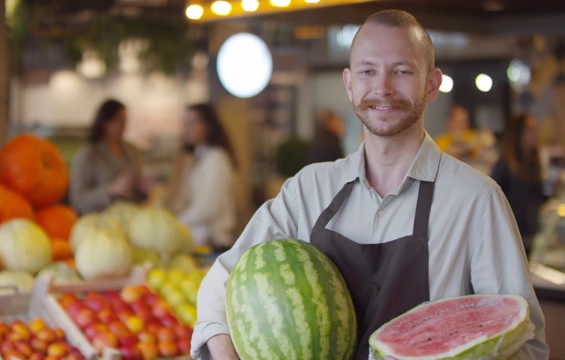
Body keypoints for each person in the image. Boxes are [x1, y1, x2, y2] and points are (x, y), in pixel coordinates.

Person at [191, 10, 548, 360]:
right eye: (367, 71)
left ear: (431, 84)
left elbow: (528, 345)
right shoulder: (308, 190)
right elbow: (221, 281)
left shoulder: (476, 199)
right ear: (349, 84)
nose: (383, 87)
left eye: (402, 71)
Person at [163, 103, 237, 250]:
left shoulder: (216, 158)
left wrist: (174, 224)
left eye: (192, 122)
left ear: (208, 126)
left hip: (215, 243)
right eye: (185, 123)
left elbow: (207, 208)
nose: (187, 129)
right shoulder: (198, 158)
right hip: (201, 241)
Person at [69, 99, 145, 214]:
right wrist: (110, 190)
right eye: (119, 120)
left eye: (125, 120)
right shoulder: (88, 155)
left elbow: (139, 185)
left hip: (133, 216)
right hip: (101, 222)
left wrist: (143, 186)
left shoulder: (131, 149)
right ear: (105, 122)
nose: (124, 125)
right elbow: (78, 201)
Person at [491, 114, 548, 257]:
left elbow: (537, 199)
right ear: (517, 134)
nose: (536, 134)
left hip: (530, 236)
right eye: (530, 130)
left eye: (536, 129)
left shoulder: (533, 164)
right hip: (510, 238)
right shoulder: (504, 166)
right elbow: (494, 203)